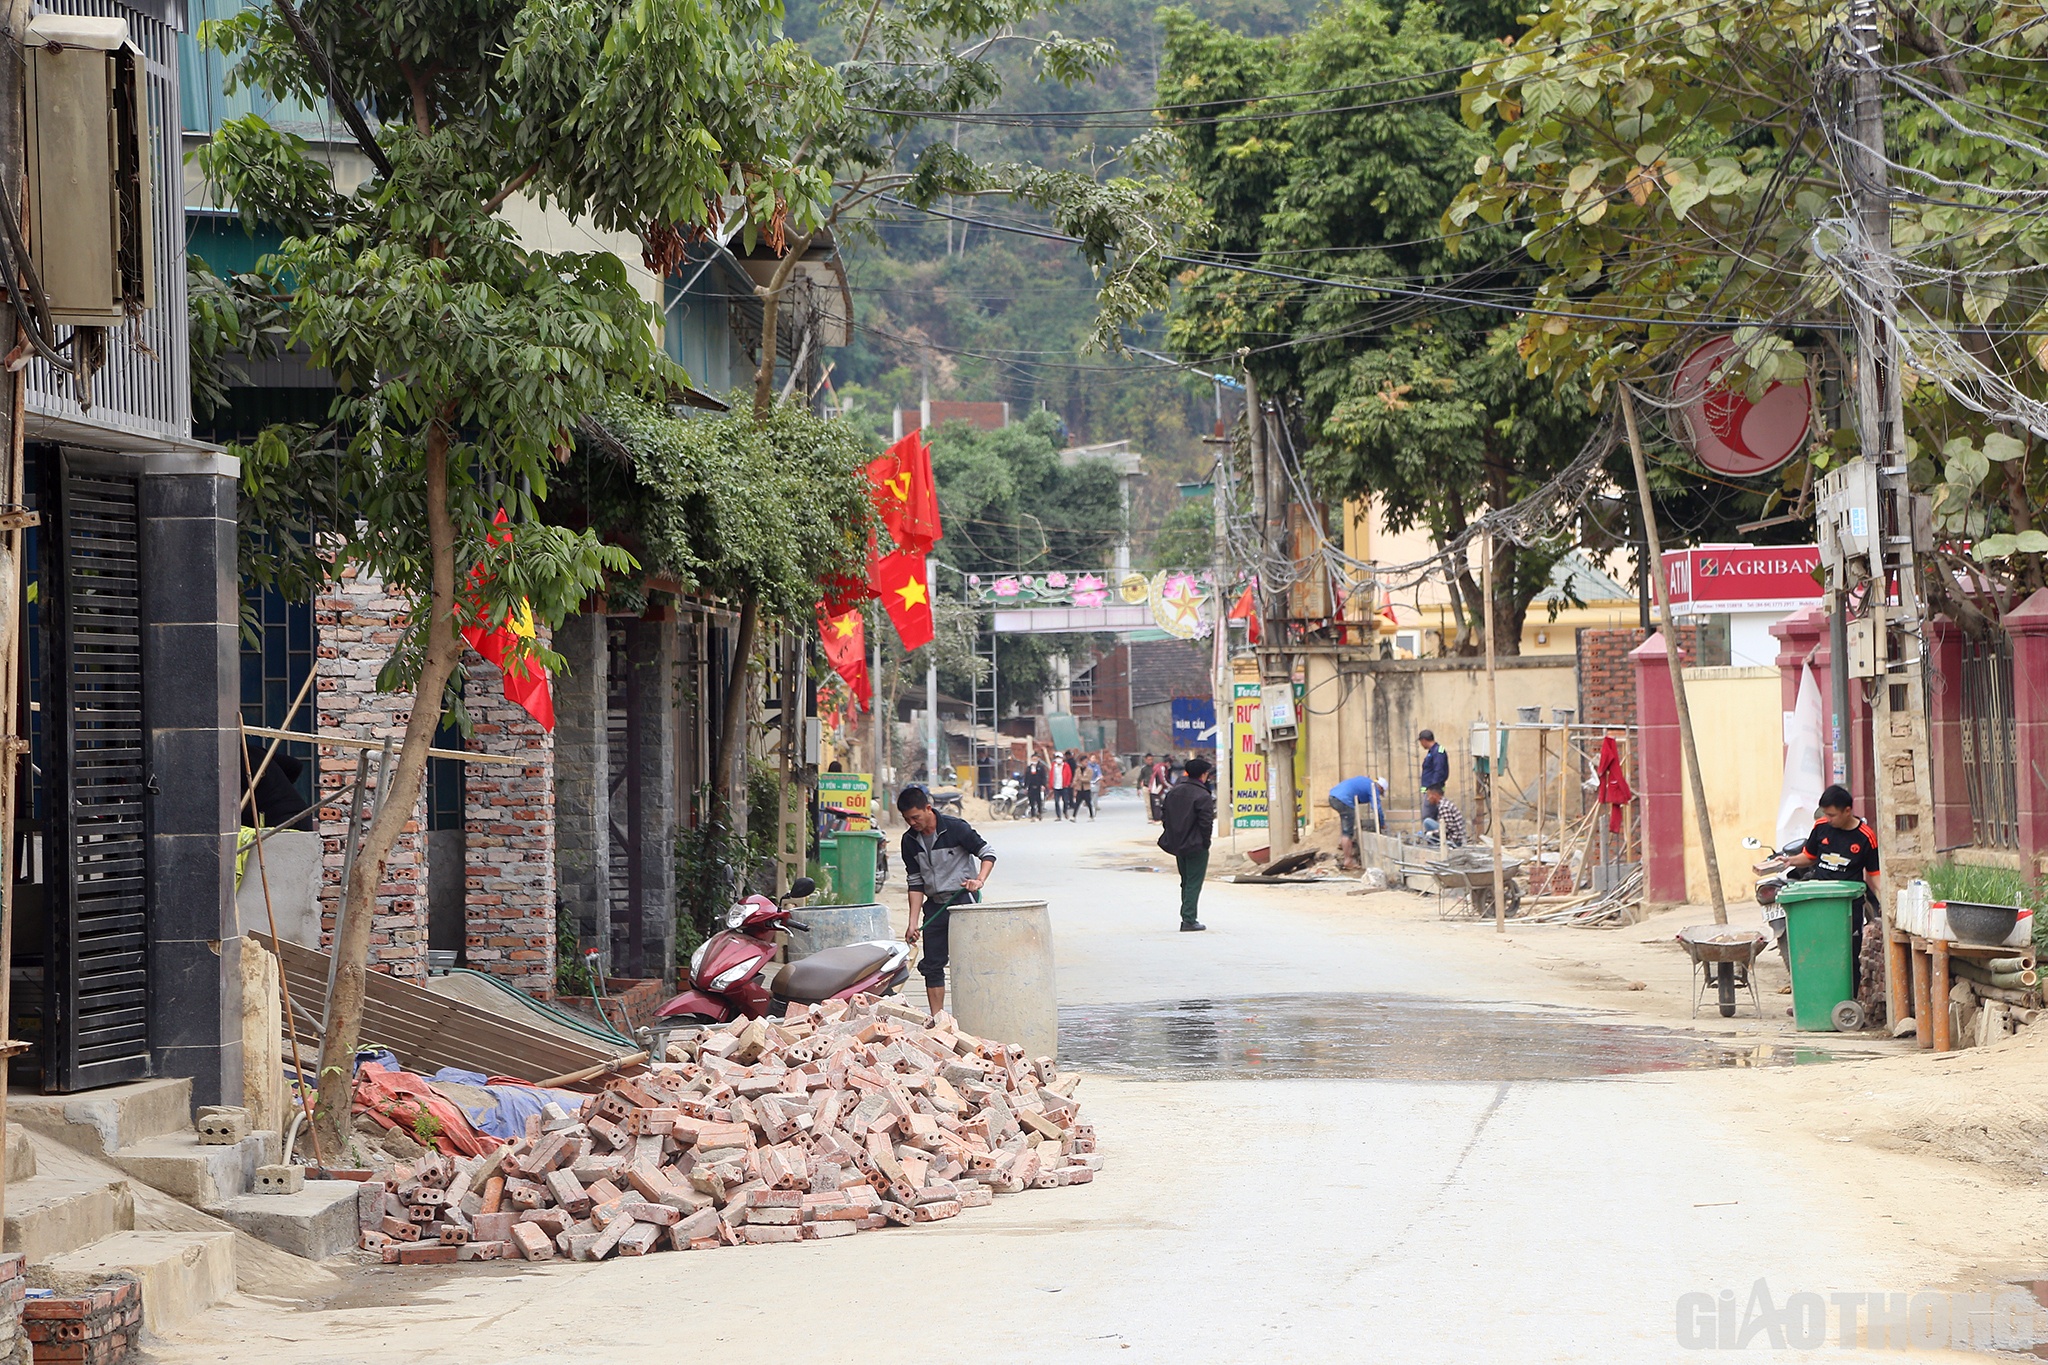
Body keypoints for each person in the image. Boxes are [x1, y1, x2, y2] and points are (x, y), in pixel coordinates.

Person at [898, 786, 997, 1017]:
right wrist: (912, 923)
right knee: (932, 965)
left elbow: (988, 853)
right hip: (934, 906)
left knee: (969, 961)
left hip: (962, 902)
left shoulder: (955, 828)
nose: (912, 823)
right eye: (907, 819)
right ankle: (938, 1020)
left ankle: (976, 1016)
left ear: (928, 808)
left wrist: (979, 880)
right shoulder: (909, 841)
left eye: (916, 817)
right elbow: (915, 883)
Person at [1785, 784, 1880, 992]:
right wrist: (1788, 861)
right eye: (1826, 814)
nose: (1828, 819)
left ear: (1848, 811)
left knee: (1848, 951)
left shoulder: (1865, 836)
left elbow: (1874, 875)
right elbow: (1808, 856)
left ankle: (1847, 998)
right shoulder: (1821, 827)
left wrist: (1885, 902)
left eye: (1832, 815)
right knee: (1816, 949)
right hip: (1819, 900)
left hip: (1847, 904)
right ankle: (1814, 997)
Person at [1157, 757, 1216, 932]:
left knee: (1185, 880)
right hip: (1197, 845)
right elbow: (1206, 823)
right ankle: (1189, 919)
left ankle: (1187, 915)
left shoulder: (1174, 792)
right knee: (1194, 882)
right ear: (1204, 775)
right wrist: (1206, 842)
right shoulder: (1203, 795)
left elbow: (1165, 817)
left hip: (1178, 844)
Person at [1327, 774, 1387, 868]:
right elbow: (1376, 808)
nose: (1379, 794)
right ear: (1381, 788)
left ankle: (1341, 842)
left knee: (1345, 819)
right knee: (1348, 831)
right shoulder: (1373, 788)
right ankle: (1348, 860)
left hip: (1333, 796)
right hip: (1343, 799)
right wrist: (1382, 823)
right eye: (1381, 792)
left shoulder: (1365, 781)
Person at [1418, 730, 1449, 799]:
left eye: (1421, 742)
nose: (1421, 744)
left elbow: (1439, 770)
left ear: (1424, 740)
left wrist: (1433, 789)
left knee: (1428, 810)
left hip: (1433, 792)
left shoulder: (1438, 751)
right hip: (1430, 791)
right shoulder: (1432, 751)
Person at [1049, 750, 1072, 821]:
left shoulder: (1066, 766)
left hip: (1064, 785)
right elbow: (1051, 775)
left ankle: (1065, 811)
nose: (1058, 759)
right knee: (1056, 801)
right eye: (1057, 757)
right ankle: (1058, 815)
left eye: (1059, 758)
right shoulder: (1053, 766)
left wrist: (1067, 783)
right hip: (1056, 785)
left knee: (1065, 800)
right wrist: (1050, 785)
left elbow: (1069, 775)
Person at [1078, 753, 1103, 820]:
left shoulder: (1097, 766)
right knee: (1088, 798)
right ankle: (1089, 811)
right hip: (1087, 784)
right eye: (1092, 758)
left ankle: (1095, 807)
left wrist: (1099, 777)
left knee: (1095, 797)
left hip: (1095, 783)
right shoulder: (1087, 766)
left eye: (1094, 758)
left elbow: (1099, 773)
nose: (1093, 759)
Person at [1023, 755, 1047, 820]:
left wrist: (1043, 785)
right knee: (1031, 801)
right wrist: (1025, 787)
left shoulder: (1041, 767)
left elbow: (1043, 777)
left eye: (1035, 759)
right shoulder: (1028, 768)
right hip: (1030, 787)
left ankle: (1039, 813)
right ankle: (1033, 815)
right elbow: (1026, 778)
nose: (1034, 761)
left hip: (1038, 786)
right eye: (1033, 759)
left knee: (1039, 801)